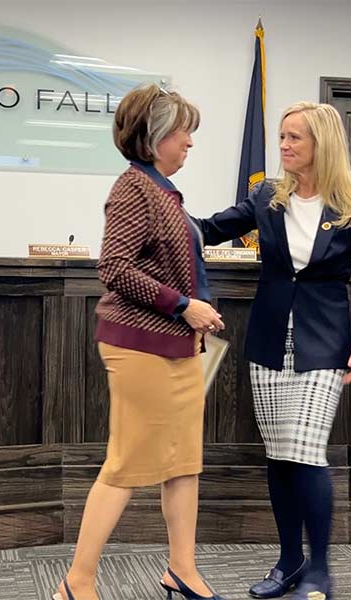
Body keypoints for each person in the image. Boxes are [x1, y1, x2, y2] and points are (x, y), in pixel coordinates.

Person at [192, 101, 351, 600]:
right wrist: (160, 204)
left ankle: (321, 569)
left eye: (293, 138)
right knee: (280, 456)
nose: (283, 146)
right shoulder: (266, 196)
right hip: (268, 342)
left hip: (324, 344)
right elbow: (209, 229)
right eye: (281, 137)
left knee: (306, 452)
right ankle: (288, 562)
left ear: (321, 144)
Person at [53, 83, 227, 600]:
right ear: (153, 138)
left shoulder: (164, 191)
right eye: (182, 132)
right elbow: (114, 268)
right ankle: (77, 581)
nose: (190, 143)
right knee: (127, 465)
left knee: (184, 461)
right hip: (140, 346)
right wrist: (183, 305)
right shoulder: (133, 189)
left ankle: (182, 570)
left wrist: (193, 315)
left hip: (177, 347)